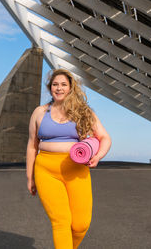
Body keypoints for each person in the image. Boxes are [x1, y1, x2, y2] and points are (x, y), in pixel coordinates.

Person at [26, 68, 112, 249]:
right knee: (61, 221)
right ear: (50, 88)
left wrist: (98, 156)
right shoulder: (40, 113)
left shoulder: (83, 111)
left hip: (76, 169)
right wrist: (29, 177)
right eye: (55, 84)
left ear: (71, 87)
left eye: (63, 84)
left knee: (81, 225)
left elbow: (105, 137)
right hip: (46, 170)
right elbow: (32, 146)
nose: (59, 88)